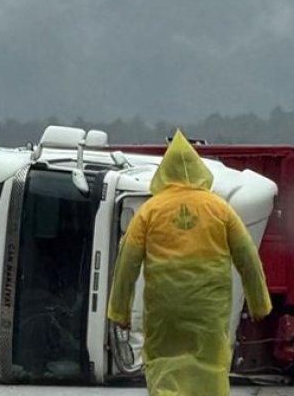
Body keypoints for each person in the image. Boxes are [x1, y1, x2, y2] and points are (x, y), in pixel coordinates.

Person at [106, 130, 271, 395]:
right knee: (210, 367)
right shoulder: (220, 209)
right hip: (208, 311)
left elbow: (126, 265)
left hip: (164, 311)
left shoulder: (150, 210)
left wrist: (120, 312)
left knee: (163, 365)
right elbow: (248, 258)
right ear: (199, 171)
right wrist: (259, 304)